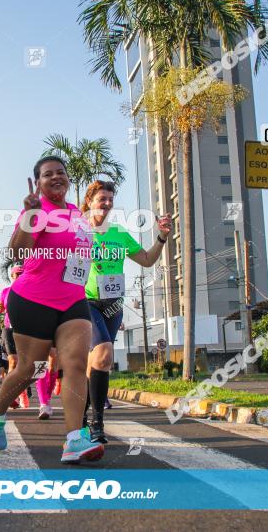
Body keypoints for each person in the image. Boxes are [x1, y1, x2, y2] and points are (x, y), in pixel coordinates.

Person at [0, 156, 103, 464]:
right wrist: (31, 214)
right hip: (33, 299)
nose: (56, 177)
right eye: (48, 174)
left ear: (67, 178)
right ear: (38, 183)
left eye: (60, 172)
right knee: (29, 369)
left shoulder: (76, 213)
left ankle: (75, 439)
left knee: (75, 363)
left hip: (73, 299)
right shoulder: (37, 211)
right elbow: (16, 253)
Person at [81, 179, 172, 443]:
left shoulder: (118, 233)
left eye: (110, 199)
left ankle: (84, 416)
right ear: (90, 201)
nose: (107, 204)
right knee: (104, 354)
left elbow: (146, 260)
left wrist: (162, 236)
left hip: (114, 304)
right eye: (102, 199)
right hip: (87, 302)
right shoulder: (78, 232)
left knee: (98, 363)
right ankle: (97, 423)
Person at [0, 265, 29, 408]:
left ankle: (22, 393)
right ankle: (12, 395)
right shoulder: (6, 292)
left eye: (22, 274)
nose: (19, 276)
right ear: (12, 276)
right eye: (17, 274)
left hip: (26, 329)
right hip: (9, 329)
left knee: (25, 364)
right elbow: (1, 308)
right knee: (13, 362)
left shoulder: (31, 290)